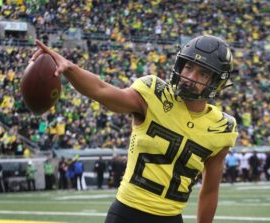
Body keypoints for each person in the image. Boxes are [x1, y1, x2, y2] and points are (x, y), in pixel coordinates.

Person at [30, 34, 238, 223]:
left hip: (172, 218)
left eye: (203, 74)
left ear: (216, 82)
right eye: (189, 67)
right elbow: (102, 90)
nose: (190, 77)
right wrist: (69, 68)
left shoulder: (222, 127)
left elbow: (210, 190)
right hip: (127, 214)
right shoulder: (153, 93)